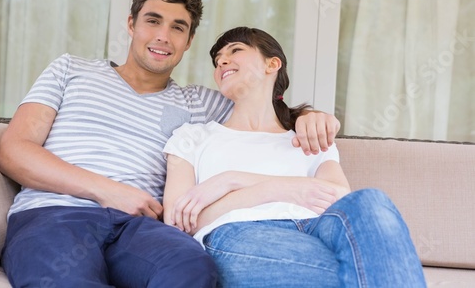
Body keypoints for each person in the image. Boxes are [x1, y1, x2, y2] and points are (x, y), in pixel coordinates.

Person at [0, 0, 340, 288]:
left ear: (188, 41)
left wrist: (311, 117)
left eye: (178, 27)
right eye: (153, 20)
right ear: (131, 24)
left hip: (140, 229)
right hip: (55, 215)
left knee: (191, 268)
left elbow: (265, 112)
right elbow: (14, 150)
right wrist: (108, 191)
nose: (163, 35)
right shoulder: (71, 70)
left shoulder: (200, 104)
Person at [163, 27, 427, 287]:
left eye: (236, 50)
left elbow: (339, 200)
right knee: (366, 271)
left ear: (272, 64)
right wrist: (279, 188)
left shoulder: (309, 138)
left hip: (320, 228)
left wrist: (231, 181)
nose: (222, 60)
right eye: (217, 59)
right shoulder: (193, 137)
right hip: (242, 232)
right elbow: (179, 222)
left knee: (371, 200)